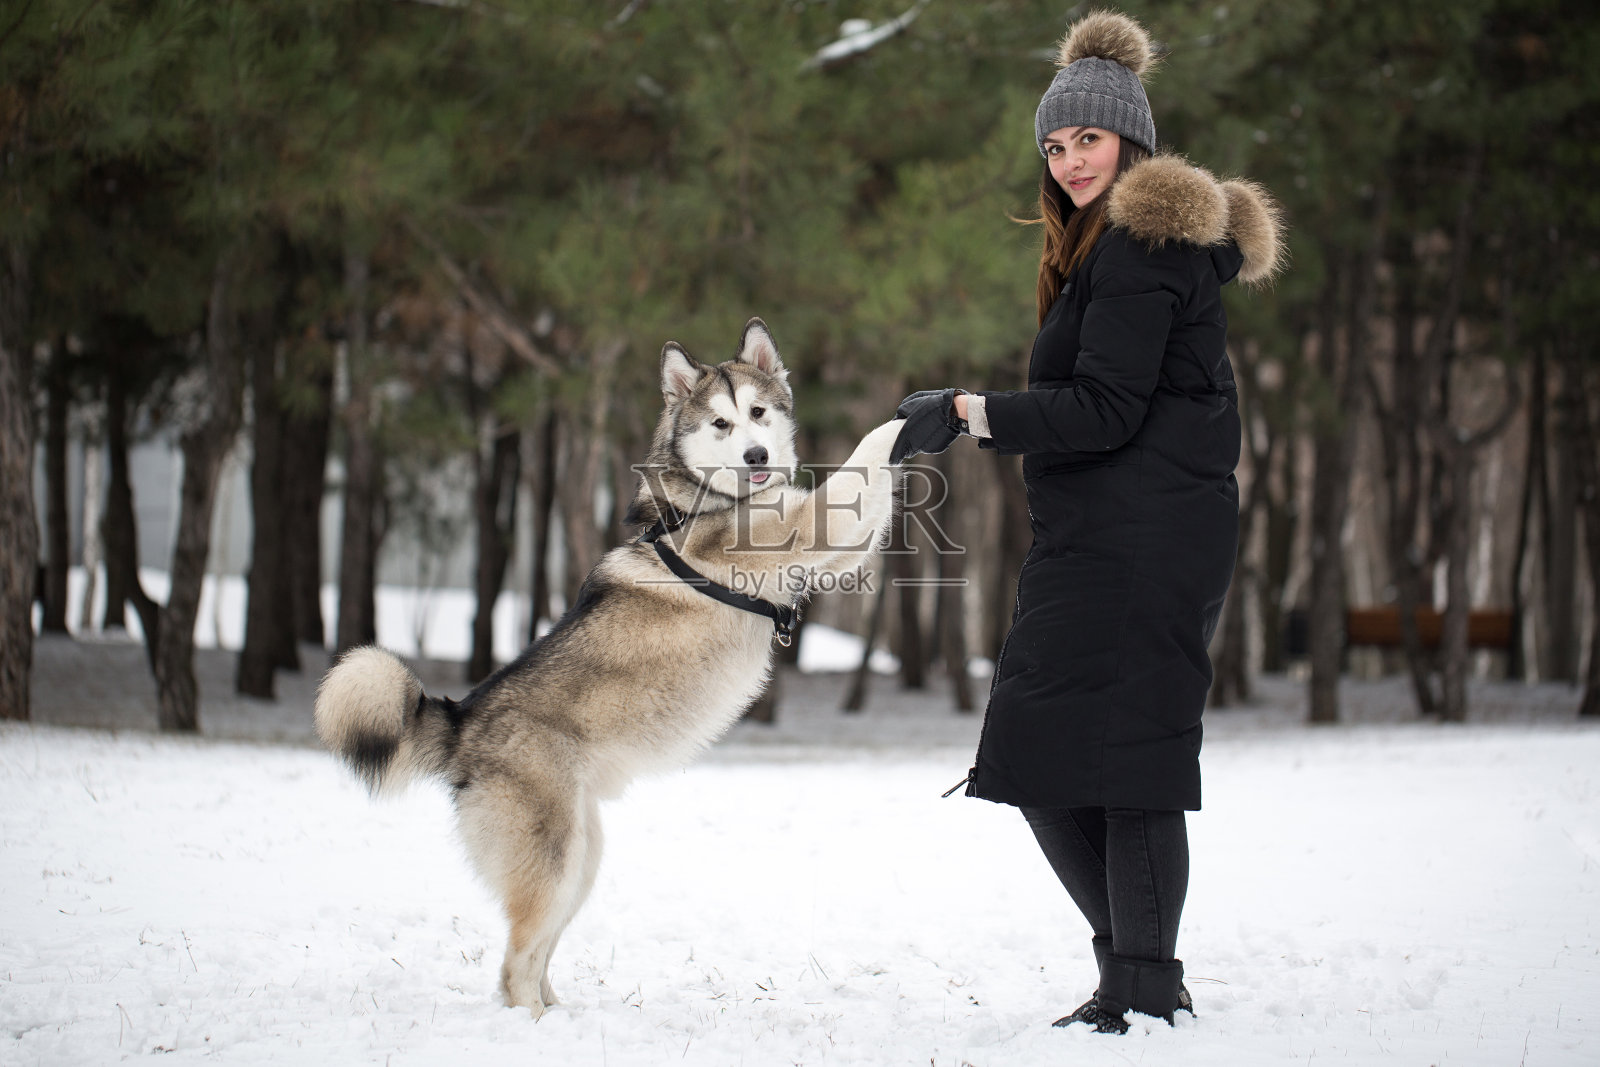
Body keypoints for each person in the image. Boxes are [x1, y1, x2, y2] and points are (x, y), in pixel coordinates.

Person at [890, 9, 1286, 1034]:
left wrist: (971, 414)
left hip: (1144, 539)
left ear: (1133, 142)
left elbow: (1104, 408)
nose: (1068, 161)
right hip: (1107, 537)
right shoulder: (1109, 250)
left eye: (1088, 140)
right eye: (1055, 145)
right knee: (1035, 752)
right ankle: (1132, 975)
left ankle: (1143, 987)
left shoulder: (1146, 246)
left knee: (1128, 757)